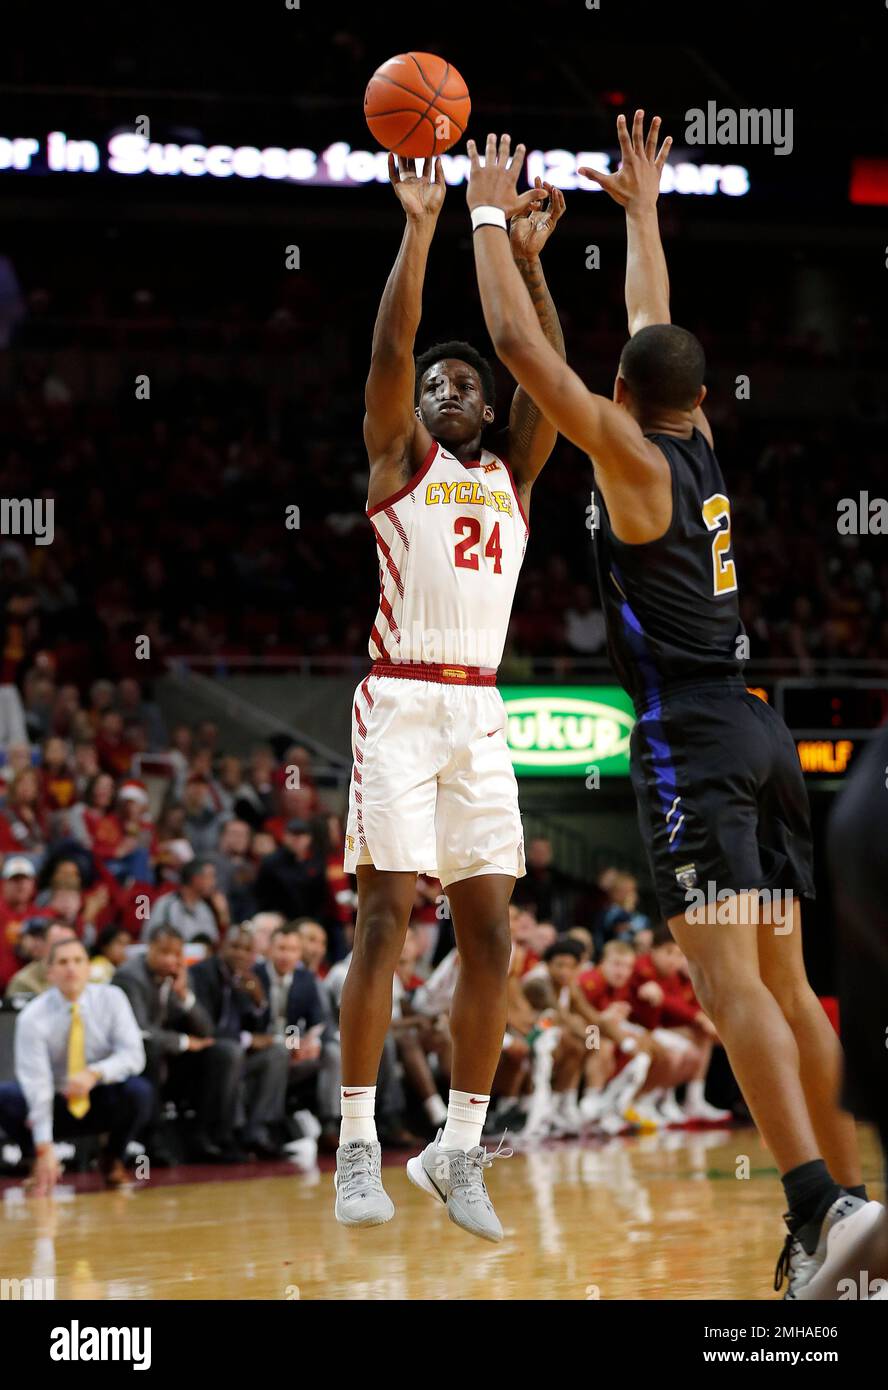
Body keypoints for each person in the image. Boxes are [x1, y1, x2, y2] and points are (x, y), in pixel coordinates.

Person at [466, 116, 882, 1293]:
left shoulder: (631, 455)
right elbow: (650, 321)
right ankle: (852, 1226)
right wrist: (641, 211)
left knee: (728, 989)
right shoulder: (693, 430)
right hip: (758, 727)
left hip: (692, 735)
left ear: (628, 392)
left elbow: (512, 346)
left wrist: (489, 213)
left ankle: (815, 1209)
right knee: (793, 990)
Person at [336, 150, 566, 1242]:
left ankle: (458, 1150)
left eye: (464, 382)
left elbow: (551, 377)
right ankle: (351, 1150)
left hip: (480, 711)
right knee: (383, 918)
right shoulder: (399, 461)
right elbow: (391, 346)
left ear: (489, 402)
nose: (446, 391)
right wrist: (421, 226)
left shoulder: (517, 473)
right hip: (399, 701)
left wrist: (525, 261)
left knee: (492, 937)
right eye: (435, 386)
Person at [0, 936, 151, 1192]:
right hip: (56, 1100)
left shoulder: (112, 998)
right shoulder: (32, 1016)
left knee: (140, 1091)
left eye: (78, 961)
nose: (71, 968)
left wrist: (95, 1073)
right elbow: (37, 1084)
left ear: (88, 967)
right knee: (6, 1096)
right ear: (49, 972)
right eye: (63, 962)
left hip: (99, 1096)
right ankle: (36, 1161)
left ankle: (112, 1158)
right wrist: (44, 1146)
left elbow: (134, 1056)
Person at [114, 925, 244, 1164]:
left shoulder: (182, 975)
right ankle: (152, 1139)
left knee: (226, 1052)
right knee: (150, 1049)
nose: (171, 959)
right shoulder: (129, 977)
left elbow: (207, 1031)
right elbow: (139, 1031)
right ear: (149, 949)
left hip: (173, 1058)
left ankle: (211, 1135)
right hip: (141, 1057)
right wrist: (183, 1042)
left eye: (177, 954)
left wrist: (184, 995)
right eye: (164, 952)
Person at [189, 926, 288, 1158]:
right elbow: (205, 1029)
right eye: (235, 947)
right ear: (221, 946)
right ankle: (220, 1136)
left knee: (278, 1053)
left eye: (247, 949)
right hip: (204, 1053)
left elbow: (259, 1031)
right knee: (232, 1052)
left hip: (236, 1053)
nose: (240, 954)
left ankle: (256, 1132)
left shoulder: (248, 976)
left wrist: (259, 1001)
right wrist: (246, 1039)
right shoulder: (200, 973)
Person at [142, 857, 226, 946]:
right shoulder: (166, 904)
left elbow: (213, 944)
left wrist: (223, 914)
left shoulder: (204, 908)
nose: (213, 883)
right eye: (210, 877)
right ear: (196, 879)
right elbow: (148, 939)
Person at [5, 921, 77, 998]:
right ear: (43, 945)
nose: (67, 950)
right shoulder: (24, 982)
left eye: (70, 943)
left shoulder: (86, 975)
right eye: (58, 943)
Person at [0, 855, 38, 988]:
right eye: (15, 880)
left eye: (25, 879)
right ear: (4, 884)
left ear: (33, 883)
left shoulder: (43, 914)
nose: (21, 885)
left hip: (31, 988)